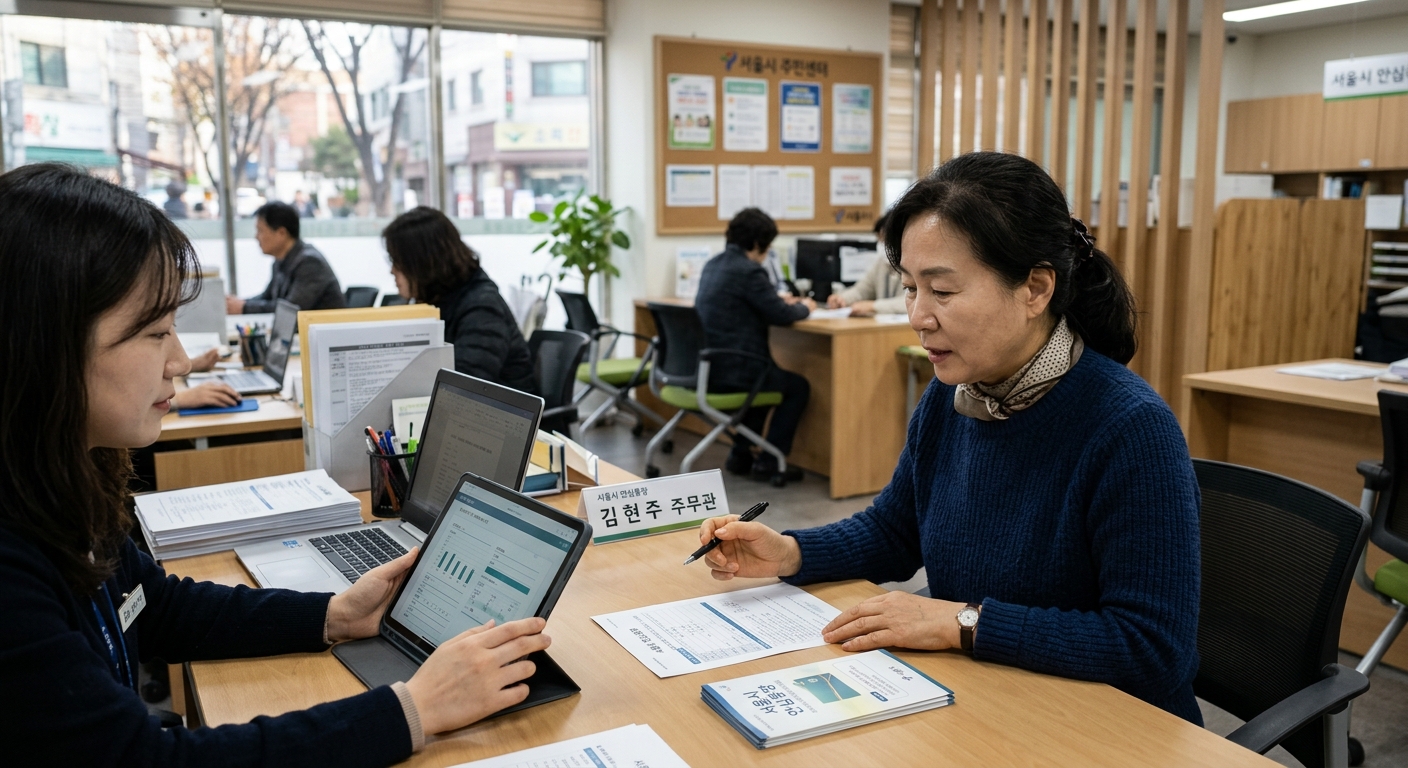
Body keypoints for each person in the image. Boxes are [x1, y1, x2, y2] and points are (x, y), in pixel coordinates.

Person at [0, 164, 552, 766]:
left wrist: (333, 615)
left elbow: (154, 605)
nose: (181, 362)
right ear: (44, 344)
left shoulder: (59, 480)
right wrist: (411, 709)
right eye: (155, 334)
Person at [696, 152, 1202, 723]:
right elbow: (894, 530)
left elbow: (1152, 648)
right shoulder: (956, 395)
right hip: (994, 701)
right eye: (910, 288)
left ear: (1035, 288)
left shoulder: (1129, 427)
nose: (918, 315)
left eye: (942, 291)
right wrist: (790, 552)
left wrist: (960, 622)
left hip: (1110, 729)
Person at [695, 207, 816, 483]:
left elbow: (756, 304)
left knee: (767, 379)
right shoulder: (749, 271)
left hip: (710, 368)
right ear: (759, 244)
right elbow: (782, 315)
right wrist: (805, 307)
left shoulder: (714, 264)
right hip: (737, 371)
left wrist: (776, 301)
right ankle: (770, 461)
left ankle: (741, 454)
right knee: (796, 386)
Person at [382, 207, 537, 395]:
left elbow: (465, 388)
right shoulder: (437, 302)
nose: (392, 270)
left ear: (424, 263)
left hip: (498, 418)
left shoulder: (481, 308)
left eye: (398, 261)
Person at [228, 201, 345, 314]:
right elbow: (267, 298)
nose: (256, 237)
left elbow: (291, 310)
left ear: (281, 233)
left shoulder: (310, 263)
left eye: (260, 231)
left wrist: (244, 307)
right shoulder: (280, 261)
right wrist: (239, 304)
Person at [827, 212, 904, 317]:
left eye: (885, 240)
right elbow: (862, 290)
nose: (882, 245)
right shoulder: (882, 263)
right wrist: (842, 299)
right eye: (880, 240)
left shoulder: (912, 265)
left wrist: (873, 306)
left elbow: (908, 302)